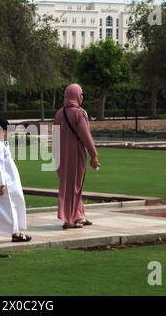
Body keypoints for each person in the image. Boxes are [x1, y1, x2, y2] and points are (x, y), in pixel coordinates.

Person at [53, 84, 100, 229]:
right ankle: (69, 219)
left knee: (71, 186)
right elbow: (86, 137)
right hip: (75, 156)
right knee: (73, 186)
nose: (82, 97)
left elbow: (55, 138)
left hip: (61, 157)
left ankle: (79, 215)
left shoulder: (59, 113)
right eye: (81, 94)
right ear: (77, 96)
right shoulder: (79, 113)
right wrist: (94, 155)